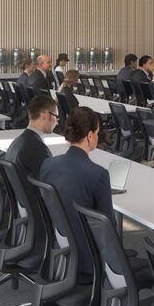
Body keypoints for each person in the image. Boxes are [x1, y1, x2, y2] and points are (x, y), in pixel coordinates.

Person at [37, 106, 113, 282]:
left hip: (59, 253)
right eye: (97, 133)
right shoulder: (98, 174)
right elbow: (108, 228)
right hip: (88, 262)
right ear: (90, 136)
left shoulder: (48, 165)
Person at [6, 94, 58, 181]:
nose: (57, 122)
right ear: (45, 115)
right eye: (56, 116)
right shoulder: (38, 149)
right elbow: (53, 182)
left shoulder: (17, 142)